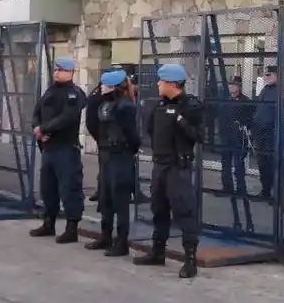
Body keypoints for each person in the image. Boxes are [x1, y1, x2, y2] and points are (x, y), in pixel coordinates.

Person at [135, 62, 204, 279]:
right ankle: (157, 252)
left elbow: (200, 136)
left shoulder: (191, 106)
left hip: (178, 167)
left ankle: (190, 261)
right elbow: (150, 130)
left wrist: (182, 123)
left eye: (161, 81)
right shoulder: (159, 106)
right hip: (160, 165)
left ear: (173, 84)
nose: (158, 84)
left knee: (184, 212)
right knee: (159, 209)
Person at [29, 57, 88, 244]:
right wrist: (38, 128)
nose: (56, 73)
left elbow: (67, 118)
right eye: (55, 70)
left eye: (60, 70)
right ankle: (49, 222)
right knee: (48, 188)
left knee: (69, 188)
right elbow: (37, 112)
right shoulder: (50, 91)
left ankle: (72, 228)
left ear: (70, 72)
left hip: (65, 148)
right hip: (49, 148)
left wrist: (44, 129)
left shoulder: (74, 94)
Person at [85, 69, 142, 257]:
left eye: (104, 84)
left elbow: (133, 135)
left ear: (114, 87)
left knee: (120, 201)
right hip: (107, 156)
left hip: (120, 157)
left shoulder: (125, 106)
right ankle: (105, 236)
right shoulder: (104, 104)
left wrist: (127, 150)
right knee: (106, 199)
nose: (100, 87)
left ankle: (122, 241)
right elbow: (95, 124)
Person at [217, 77, 255, 195]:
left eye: (234, 85)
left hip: (238, 137)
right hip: (226, 136)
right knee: (226, 163)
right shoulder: (226, 100)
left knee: (239, 164)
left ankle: (241, 189)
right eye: (230, 85)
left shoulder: (245, 101)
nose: (231, 87)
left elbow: (250, 118)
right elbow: (220, 116)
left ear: (239, 87)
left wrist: (243, 125)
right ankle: (227, 188)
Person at [251, 65, 282, 199]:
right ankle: (265, 191)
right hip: (260, 133)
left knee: (273, 164)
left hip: (272, 133)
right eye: (264, 75)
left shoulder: (282, 91)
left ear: (276, 75)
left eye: (268, 75)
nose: (264, 77)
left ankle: (277, 195)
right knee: (262, 164)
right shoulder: (265, 90)